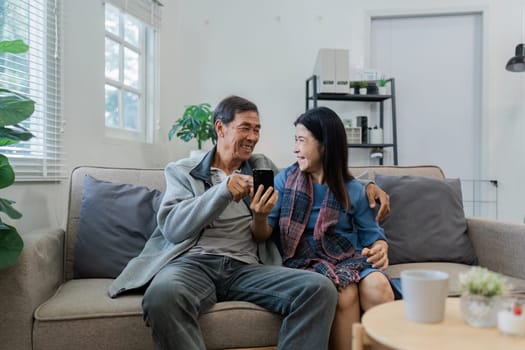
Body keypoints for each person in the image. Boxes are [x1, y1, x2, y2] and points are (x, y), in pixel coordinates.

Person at [108, 95, 390, 350]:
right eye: (246, 128)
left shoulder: (261, 167)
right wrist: (223, 190)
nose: (253, 137)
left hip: (247, 267)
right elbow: (173, 227)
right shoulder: (184, 171)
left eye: (257, 130)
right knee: (161, 296)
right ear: (221, 128)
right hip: (193, 263)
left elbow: (311, 175)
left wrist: (367, 185)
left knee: (319, 288)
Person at [251, 106, 396, 350]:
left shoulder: (354, 190)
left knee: (379, 286)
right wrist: (259, 217)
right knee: (344, 293)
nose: (295, 148)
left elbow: (373, 237)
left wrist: (381, 248)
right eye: (295, 140)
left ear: (325, 145)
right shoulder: (284, 181)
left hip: (349, 258)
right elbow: (262, 234)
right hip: (303, 260)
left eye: (301, 141)